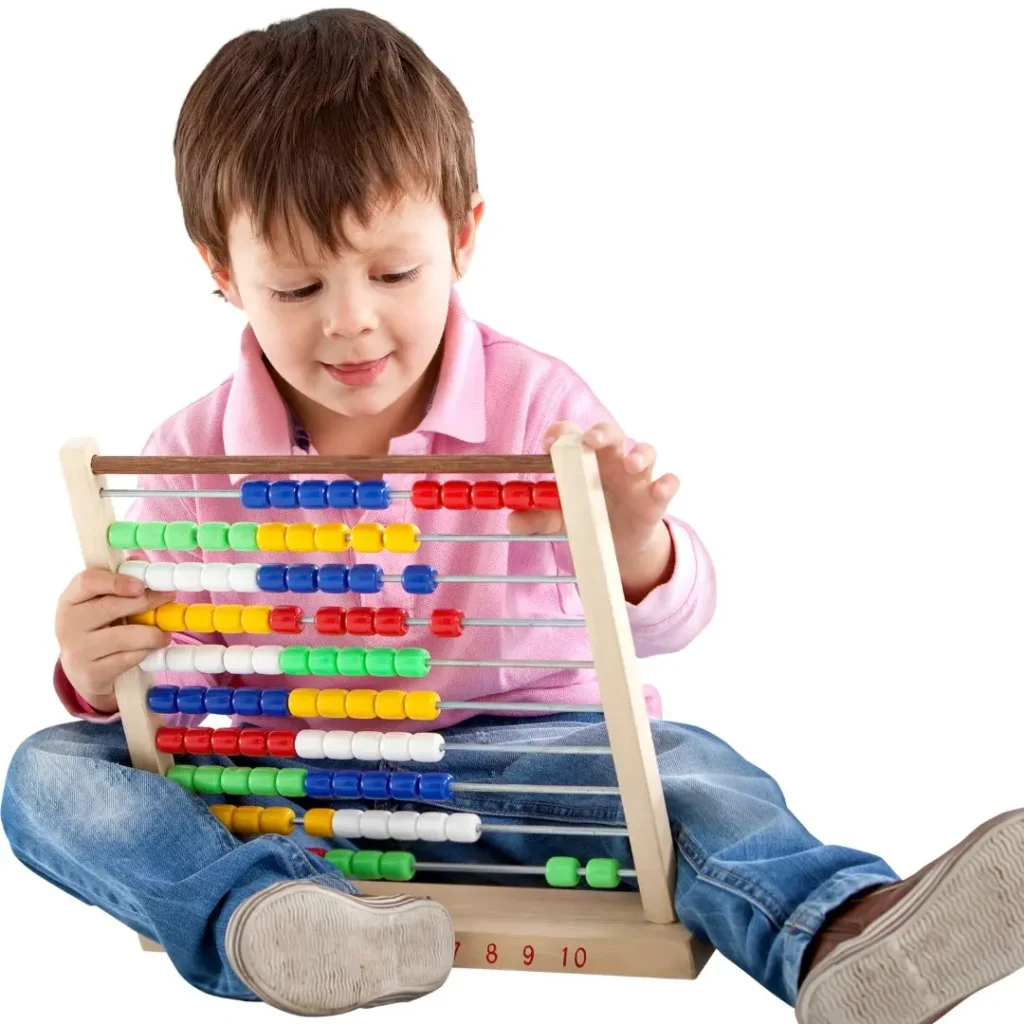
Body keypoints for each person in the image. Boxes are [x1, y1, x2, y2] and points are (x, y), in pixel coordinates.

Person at [3, 9, 1022, 1022]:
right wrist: (102, 673)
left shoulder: (538, 408)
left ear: (463, 237)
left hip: (542, 771)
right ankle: (272, 919)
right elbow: (187, 685)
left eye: (395, 273)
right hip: (304, 800)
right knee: (50, 772)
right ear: (222, 273)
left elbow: (672, 623)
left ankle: (838, 934)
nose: (351, 318)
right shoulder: (190, 460)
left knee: (694, 773)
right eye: (298, 284)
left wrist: (633, 550)